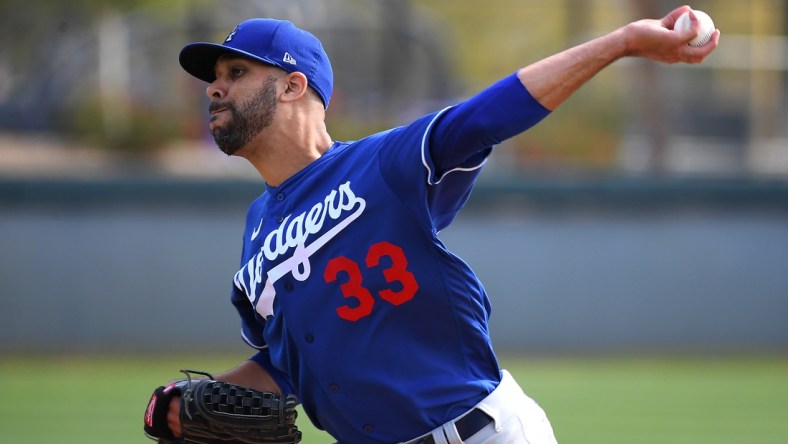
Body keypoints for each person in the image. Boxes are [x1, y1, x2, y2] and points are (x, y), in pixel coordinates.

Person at [152, 6, 719, 444]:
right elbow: (288, 364)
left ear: (293, 86)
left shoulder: (381, 164)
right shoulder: (258, 230)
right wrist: (199, 397)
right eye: (215, 77)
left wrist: (622, 43)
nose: (214, 88)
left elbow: (490, 114)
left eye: (236, 71)